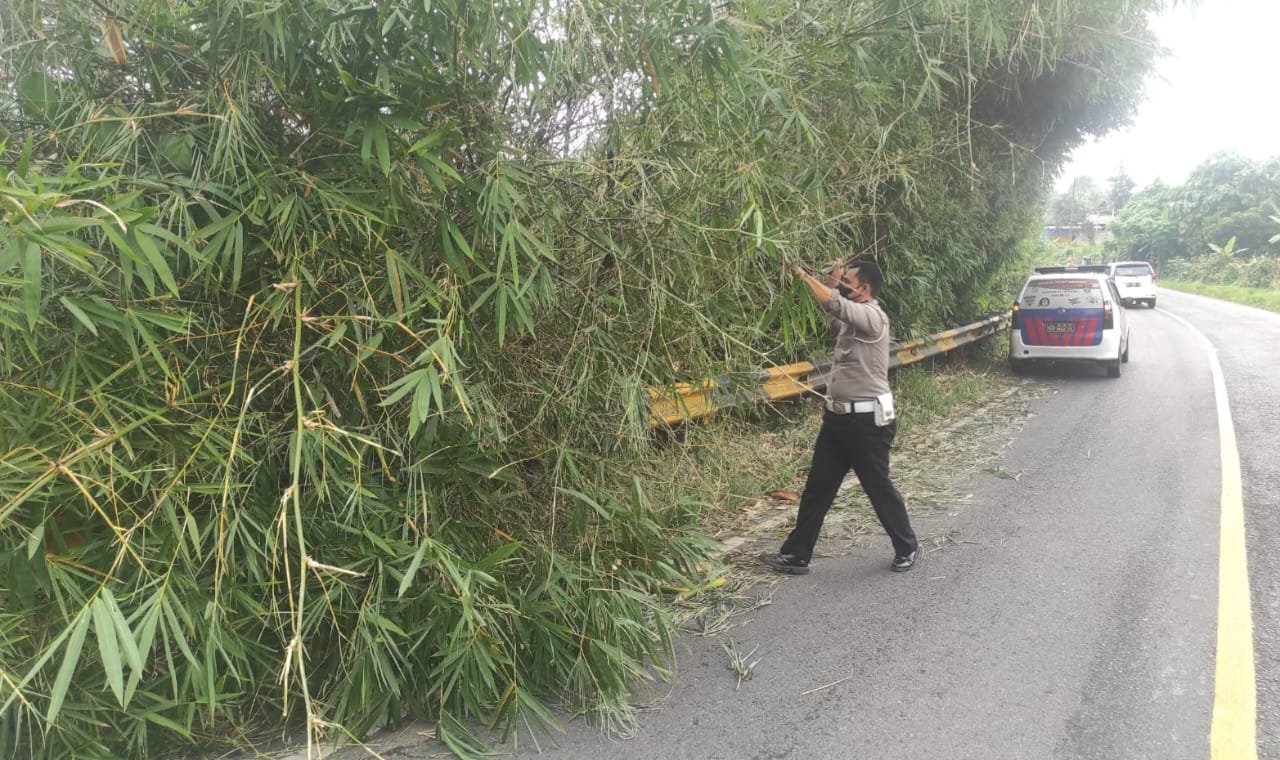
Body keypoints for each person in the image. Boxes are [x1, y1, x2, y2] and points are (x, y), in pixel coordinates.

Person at [760, 259, 921, 575]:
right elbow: (835, 313)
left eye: (848, 280)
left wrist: (802, 274)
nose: (843, 283)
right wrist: (833, 282)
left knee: (878, 488)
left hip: (868, 423)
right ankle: (796, 555)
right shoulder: (851, 320)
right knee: (818, 488)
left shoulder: (873, 316)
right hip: (837, 421)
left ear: (864, 288)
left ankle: (908, 546)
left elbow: (834, 303)